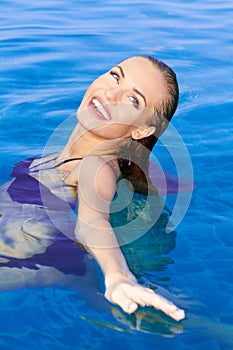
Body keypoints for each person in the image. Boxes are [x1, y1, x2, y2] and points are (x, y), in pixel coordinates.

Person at [0, 55, 185, 322]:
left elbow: (92, 220)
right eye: (115, 75)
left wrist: (118, 277)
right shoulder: (60, 155)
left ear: (141, 130)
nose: (110, 93)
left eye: (133, 101)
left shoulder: (97, 166)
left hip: (23, 257)